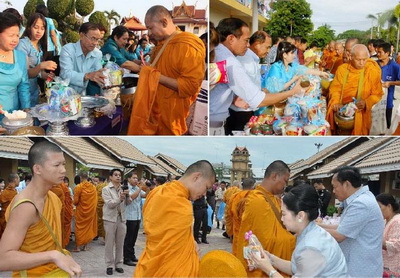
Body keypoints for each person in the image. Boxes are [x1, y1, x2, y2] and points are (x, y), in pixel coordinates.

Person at [0, 140, 82, 277]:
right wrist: (52, 255)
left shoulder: (53, 198)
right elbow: (3, 260)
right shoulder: (26, 206)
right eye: (56, 165)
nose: (63, 170)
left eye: (63, 164)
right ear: (37, 169)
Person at [210, 18, 303, 135]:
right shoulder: (230, 62)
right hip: (215, 124)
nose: (248, 45)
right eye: (246, 40)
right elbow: (257, 99)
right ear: (231, 39)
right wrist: (292, 92)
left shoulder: (218, 53)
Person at [127, 5, 206, 135]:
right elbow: (158, 69)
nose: (149, 33)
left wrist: (150, 74)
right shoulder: (161, 45)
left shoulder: (188, 44)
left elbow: (190, 86)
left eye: (151, 28)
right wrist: (144, 66)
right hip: (154, 111)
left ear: (164, 22)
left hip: (172, 115)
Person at [134, 160, 216, 277]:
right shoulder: (181, 204)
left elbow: (173, 236)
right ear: (196, 177)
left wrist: (191, 243)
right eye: (206, 187)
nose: (204, 194)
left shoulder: (157, 192)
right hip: (172, 270)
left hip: (151, 265)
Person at [251, 184, 348, 277]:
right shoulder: (309, 232)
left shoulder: (311, 247)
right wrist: (270, 258)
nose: (281, 219)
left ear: (301, 216)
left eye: (284, 214)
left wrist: (268, 269)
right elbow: (297, 268)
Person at [319, 166, 384, 277]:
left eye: (335, 187)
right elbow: (343, 227)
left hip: (360, 270)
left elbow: (340, 235)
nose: (333, 191)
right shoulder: (361, 199)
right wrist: (318, 225)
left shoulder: (361, 204)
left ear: (346, 184)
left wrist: (310, 227)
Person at [234, 161, 295, 277]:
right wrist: (290, 240)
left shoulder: (274, 199)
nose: (285, 186)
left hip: (276, 264)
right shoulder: (257, 200)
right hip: (263, 269)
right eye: (285, 181)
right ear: (274, 176)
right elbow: (262, 239)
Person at [327, 44, 383, 135]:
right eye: (358, 59)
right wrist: (336, 102)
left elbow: (377, 94)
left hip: (361, 112)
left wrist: (366, 102)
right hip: (342, 111)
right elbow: (335, 88)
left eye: (364, 59)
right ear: (351, 57)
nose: (362, 63)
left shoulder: (372, 70)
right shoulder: (343, 69)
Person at [225, 31, 272, 134]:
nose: (268, 51)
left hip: (246, 109)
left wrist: (260, 90)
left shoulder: (253, 59)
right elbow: (231, 80)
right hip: (239, 111)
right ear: (257, 44)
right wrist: (233, 99)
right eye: (267, 47)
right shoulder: (244, 59)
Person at [17, 13, 57, 106]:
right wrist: (41, 66)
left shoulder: (39, 46)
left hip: (33, 90)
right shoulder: (23, 44)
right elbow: (25, 73)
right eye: (36, 27)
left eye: (42, 28)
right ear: (29, 27)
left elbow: (38, 73)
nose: (39, 31)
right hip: (23, 92)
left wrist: (48, 76)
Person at [265, 41, 329, 94]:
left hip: (285, 96)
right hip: (273, 101)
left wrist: (321, 73)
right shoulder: (276, 67)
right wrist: (294, 79)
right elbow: (277, 89)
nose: (294, 56)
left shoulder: (292, 65)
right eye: (292, 53)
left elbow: (306, 70)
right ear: (284, 55)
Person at [59, 22, 105, 95]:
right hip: (64, 95)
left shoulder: (97, 54)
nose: (95, 43)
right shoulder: (68, 50)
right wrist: (87, 76)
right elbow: (66, 74)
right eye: (93, 38)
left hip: (83, 96)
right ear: (81, 36)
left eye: (97, 40)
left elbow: (96, 76)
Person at [0, 12, 30, 119]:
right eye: (11, 35)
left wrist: (26, 109)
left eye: (17, 35)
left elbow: (23, 86)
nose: (15, 40)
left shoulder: (20, 57)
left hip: (14, 115)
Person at [102, 169, 129, 275]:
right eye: (116, 175)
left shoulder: (123, 188)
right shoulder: (106, 189)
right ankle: (109, 265)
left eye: (119, 175)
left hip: (121, 218)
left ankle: (118, 264)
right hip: (110, 219)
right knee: (109, 243)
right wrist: (119, 199)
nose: (118, 177)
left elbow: (127, 203)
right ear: (111, 177)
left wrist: (127, 196)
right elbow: (110, 204)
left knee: (120, 243)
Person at [226, 178, 255, 256]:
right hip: (252, 232)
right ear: (253, 186)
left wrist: (229, 231)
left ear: (242, 186)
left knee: (238, 253)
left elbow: (228, 214)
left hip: (238, 231)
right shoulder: (256, 197)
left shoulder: (234, 197)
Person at [123, 172, 147, 266]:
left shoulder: (137, 188)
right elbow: (132, 197)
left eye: (137, 178)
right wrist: (141, 187)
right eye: (134, 178)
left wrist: (148, 187)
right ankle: (126, 258)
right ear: (129, 179)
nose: (136, 180)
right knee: (128, 239)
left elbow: (145, 195)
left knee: (134, 238)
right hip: (129, 217)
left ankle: (132, 255)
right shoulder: (126, 188)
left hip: (137, 217)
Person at [376, 42, 400, 129]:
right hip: (374, 102)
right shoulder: (374, 65)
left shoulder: (395, 67)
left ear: (387, 53)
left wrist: (390, 83)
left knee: (386, 127)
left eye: (380, 52)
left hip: (387, 103)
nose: (377, 54)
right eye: (377, 52)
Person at [376, 193, 400, 276]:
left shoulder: (397, 221)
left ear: (389, 206)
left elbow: (395, 245)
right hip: (384, 264)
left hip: (393, 267)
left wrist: (375, 239)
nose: (377, 211)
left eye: (379, 207)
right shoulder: (385, 221)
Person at [73, 171, 97, 252]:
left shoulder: (79, 187)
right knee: (88, 228)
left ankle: (78, 247)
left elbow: (75, 201)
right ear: (87, 177)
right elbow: (95, 200)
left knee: (79, 227)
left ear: (80, 177)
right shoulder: (93, 187)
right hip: (90, 211)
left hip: (81, 211)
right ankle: (85, 246)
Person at [0, 173, 19, 239]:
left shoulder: (13, 191)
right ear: (15, 180)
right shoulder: (6, 192)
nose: (19, 181)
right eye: (18, 179)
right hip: (6, 217)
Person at [61, 177, 73, 248]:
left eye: (66, 182)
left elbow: (70, 200)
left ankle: (63, 244)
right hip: (60, 211)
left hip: (66, 210)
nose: (65, 183)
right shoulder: (54, 187)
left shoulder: (68, 189)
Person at [96, 176, 107, 242]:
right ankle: (106, 238)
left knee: (99, 221)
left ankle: (99, 235)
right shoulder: (107, 186)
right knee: (105, 222)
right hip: (106, 205)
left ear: (99, 180)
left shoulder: (97, 187)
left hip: (99, 206)